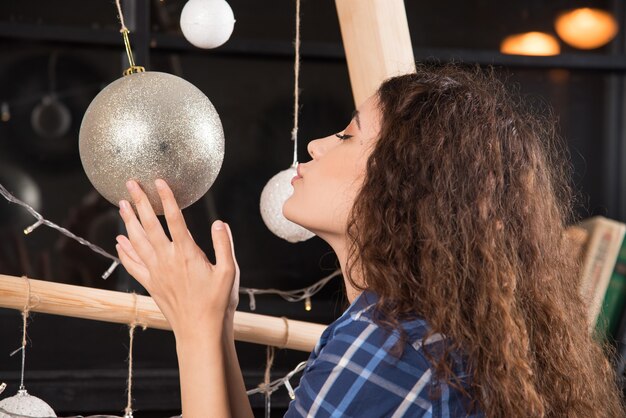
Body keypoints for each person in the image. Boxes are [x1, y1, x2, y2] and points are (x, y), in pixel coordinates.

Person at [114, 64, 625, 417]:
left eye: (348, 135)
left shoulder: (393, 347)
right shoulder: (411, 330)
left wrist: (194, 326)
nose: (314, 145)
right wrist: (215, 326)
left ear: (406, 181)